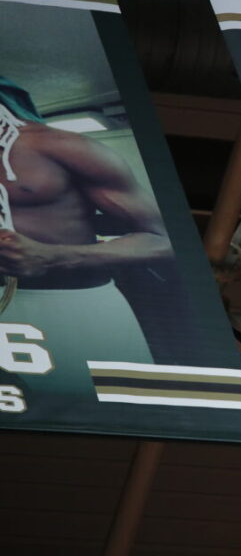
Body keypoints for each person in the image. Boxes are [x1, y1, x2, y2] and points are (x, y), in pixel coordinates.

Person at [0, 75, 170, 403]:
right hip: (6, 317)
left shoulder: (61, 147)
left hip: (77, 307)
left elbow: (163, 240)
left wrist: (54, 256)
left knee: (112, 414)